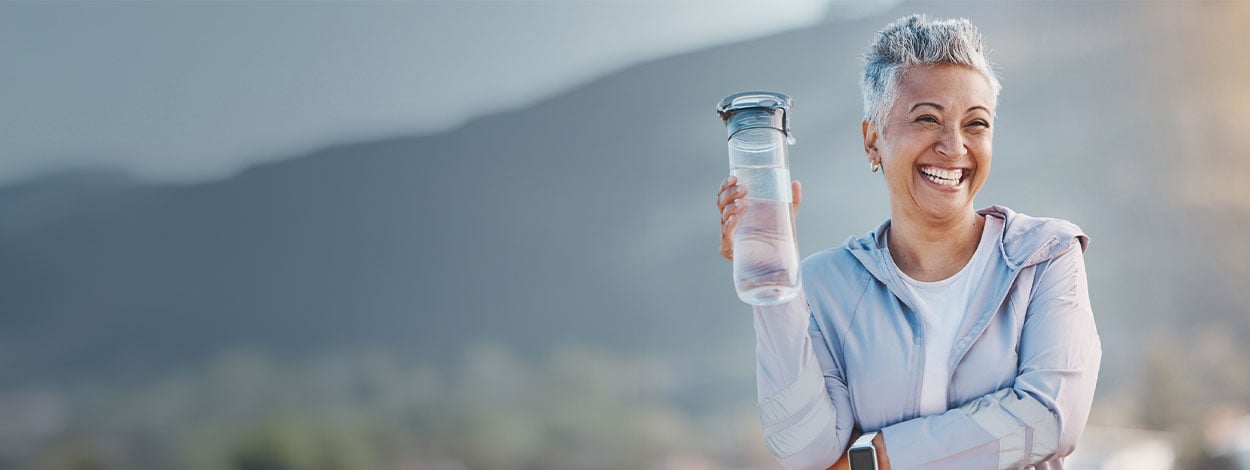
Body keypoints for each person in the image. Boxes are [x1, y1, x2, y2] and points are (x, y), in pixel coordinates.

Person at [715, 15, 1101, 469]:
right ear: (873, 139)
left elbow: (1049, 419)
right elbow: (805, 449)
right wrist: (773, 280)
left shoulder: (1045, 256)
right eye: (927, 119)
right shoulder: (822, 285)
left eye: (976, 124)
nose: (954, 146)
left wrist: (876, 459)